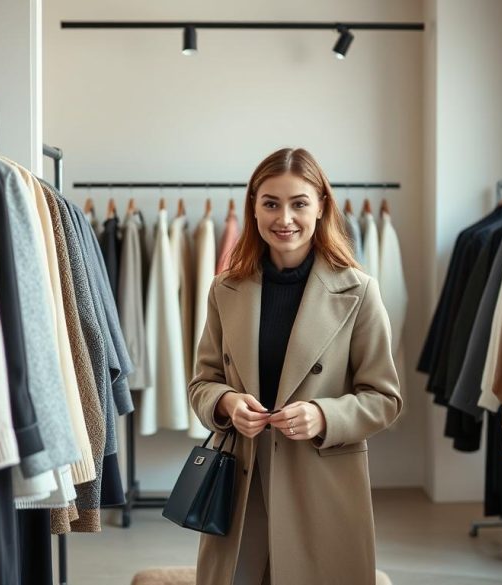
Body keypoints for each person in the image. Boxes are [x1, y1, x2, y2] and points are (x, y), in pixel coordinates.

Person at [188, 147, 403, 585]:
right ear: (254, 207)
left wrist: (323, 414)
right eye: (271, 203)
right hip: (241, 477)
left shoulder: (358, 291)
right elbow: (202, 383)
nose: (284, 217)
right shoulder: (224, 289)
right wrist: (227, 402)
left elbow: (384, 399)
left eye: (299, 203)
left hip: (320, 479)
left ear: (321, 206)